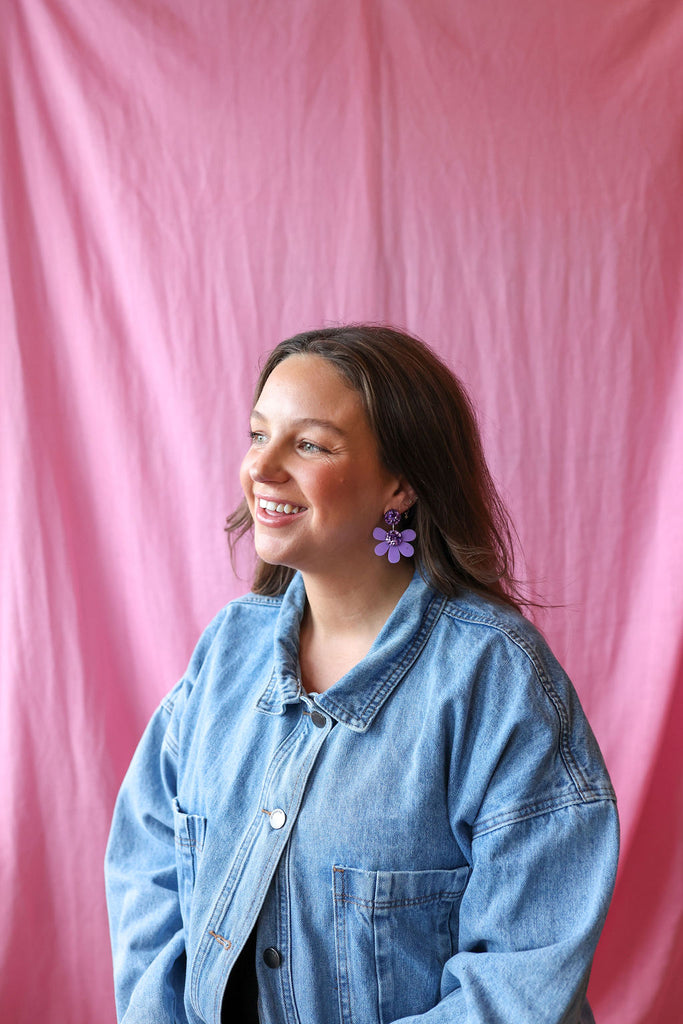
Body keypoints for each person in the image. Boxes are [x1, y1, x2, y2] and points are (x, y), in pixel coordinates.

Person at [105, 324, 619, 1024]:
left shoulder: (497, 681)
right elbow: (147, 870)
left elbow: (519, 981)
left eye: (309, 444)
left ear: (400, 484)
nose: (262, 468)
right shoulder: (227, 649)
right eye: (259, 435)